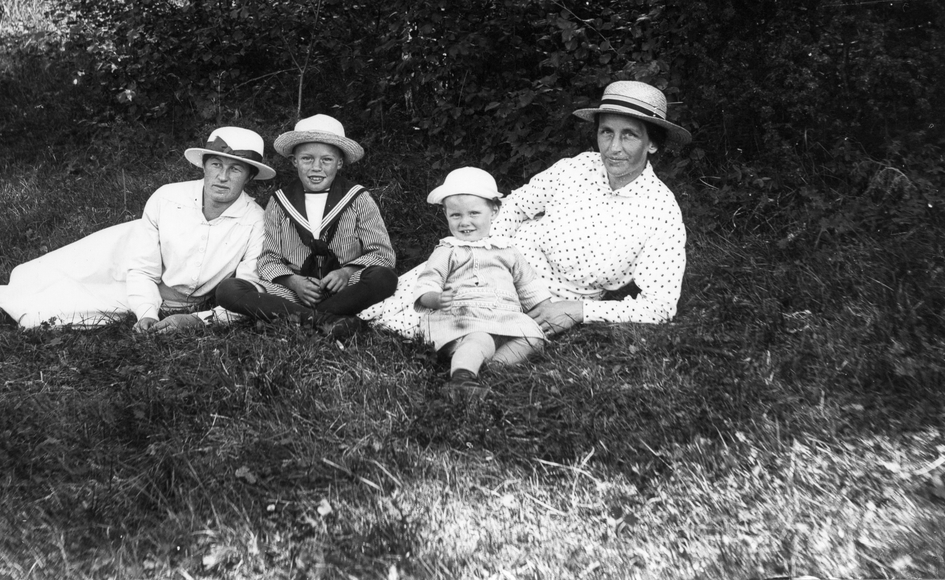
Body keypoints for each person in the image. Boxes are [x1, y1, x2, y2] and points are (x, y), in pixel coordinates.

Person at [363, 80, 691, 339]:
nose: (613, 148)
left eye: (629, 135)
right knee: (406, 293)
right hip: (504, 255)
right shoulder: (577, 168)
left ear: (652, 143)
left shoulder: (660, 212)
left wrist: (580, 310)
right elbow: (516, 205)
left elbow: (659, 306)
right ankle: (349, 316)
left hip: (541, 299)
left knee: (445, 323)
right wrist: (485, 250)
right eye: (607, 132)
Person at [0, 126, 275, 331]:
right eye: (216, 165)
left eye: (235, 168)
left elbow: (247, 293)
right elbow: (141, 269)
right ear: (204, 166)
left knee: (48, 313)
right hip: (123, 258)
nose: (222, 177)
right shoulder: (167, 198)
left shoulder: (256, 221)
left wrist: (195, 320)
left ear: (249, 177)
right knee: (43, 286)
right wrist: (147, 313)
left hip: (175, 298)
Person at [216, 114, 398, 339]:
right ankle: (327, 321)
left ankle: (300, 320)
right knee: (229, 290)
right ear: (294, 161)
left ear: (340, 163)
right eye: (307, 159)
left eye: (327, 160)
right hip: (294, 292)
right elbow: (269, 259)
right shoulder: (279, 202)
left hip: (345, 289)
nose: (316, 167)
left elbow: (382, 254)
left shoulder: (358, 198)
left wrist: (346, 272)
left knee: (384, 278)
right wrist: (293, 282)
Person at [414, 167, 552, 398]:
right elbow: (428, 282)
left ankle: (491, 368)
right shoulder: (448, 250)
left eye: (474, 213)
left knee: (533, 338)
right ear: (446, 214)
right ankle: (462, 378)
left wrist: (544, 306)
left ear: (494, 211)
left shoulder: (507, 250)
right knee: (481, 339)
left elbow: (527, 283)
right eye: (456, 215)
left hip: (504, 316)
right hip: (463, 317)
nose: (465, 222)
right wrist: (436, 299)